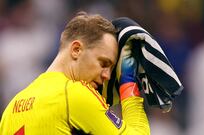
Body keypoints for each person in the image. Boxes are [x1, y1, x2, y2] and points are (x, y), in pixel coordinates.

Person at [0, 12, 150, 135]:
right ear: (76, 50)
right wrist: (129, 86)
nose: (107, 76)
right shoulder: (74, 94)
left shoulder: (11, 108)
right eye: (103, 63)